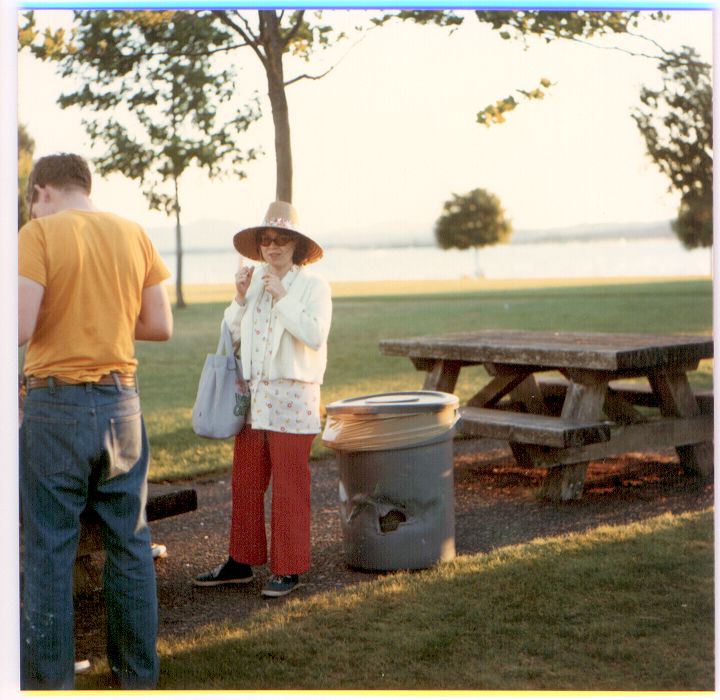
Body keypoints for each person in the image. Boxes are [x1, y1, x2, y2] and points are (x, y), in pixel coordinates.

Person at [18, 153, 173, 690]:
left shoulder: (37, 235)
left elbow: (17, 326)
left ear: (41, 191)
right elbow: (159, 325)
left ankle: (51, 683)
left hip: (54, 405)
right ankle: (137, 679)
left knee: (49, 549)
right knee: (129, 543)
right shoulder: (134, 233)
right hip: (121, 405)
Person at [194, 201, 332, 598]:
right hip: (254, 397)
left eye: (281, 239)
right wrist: (239, 297)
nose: (273, 246)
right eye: (266, 239)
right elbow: (233, 337)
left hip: (294, 395)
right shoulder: (253, 282)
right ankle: (240, 560)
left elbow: (314, 334)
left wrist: (284, 296)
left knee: (290, 484)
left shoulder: (313, 286)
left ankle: (288, 567)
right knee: (247, 481)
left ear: (297, 245)